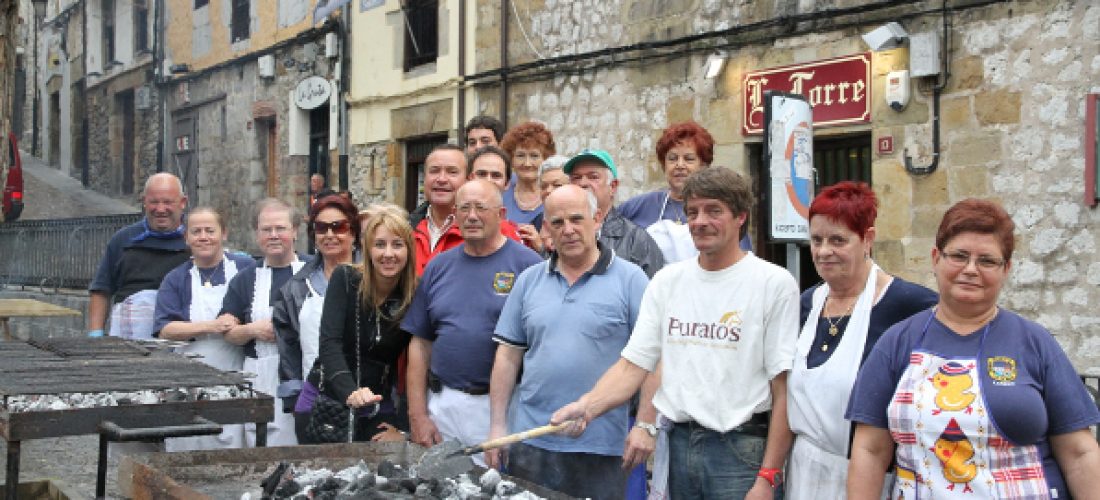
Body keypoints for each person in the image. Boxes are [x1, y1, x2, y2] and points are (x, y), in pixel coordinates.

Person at [552, 167, 800, 500]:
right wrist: (587, 406)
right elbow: (633, 364)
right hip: (680, 445)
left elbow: (784, 390)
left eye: (714, 211)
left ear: (740, 217)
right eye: (693, 212)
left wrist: (769, 476)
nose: (700, 221)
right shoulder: (668, 281)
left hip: (741, 452)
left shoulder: (773, 283)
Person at [846, 199, 1100, 499]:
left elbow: (1079, 453)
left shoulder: (1035, 342)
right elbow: (871, 450)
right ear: (935, 258)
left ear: (1006, 269)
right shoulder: (897, 342)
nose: (970, 269)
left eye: (987, 261)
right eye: (959, 256)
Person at [486, 185, 649, 499]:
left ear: (597, 218)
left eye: (576, 219)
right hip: (530, 440)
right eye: (557, 223)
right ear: (546, 228)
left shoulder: (631, 280)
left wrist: (645, 424)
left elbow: (652, 360)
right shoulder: (529, 280)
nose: (568, 230)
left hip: (600, 445)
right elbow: (507, 357)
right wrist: (497, 427)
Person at [785, 182, 937, 498]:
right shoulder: (808, 303)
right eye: (816, 240)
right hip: (803, 473)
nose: (823, 251)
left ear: (867, 239)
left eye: (837, 240)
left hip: (868, 479)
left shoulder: (909, 306)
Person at [402, 180, 542, 465]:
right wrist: (418, 415)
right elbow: (420, 343)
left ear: (502, 214)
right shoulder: (438, 267)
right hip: (443, 407)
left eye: (481, 208)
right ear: (454, 215)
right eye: (464, 208)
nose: (472, 216)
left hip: (503, 409)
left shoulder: (529, 266)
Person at [295, 204, 418, 443]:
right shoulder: (346, 278)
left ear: (409, 250)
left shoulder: (414, 295)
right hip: (325, 401)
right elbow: (329, 343)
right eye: (379, 244)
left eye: (397, 245)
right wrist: (350, 391)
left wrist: (403, 430)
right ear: (367, 249)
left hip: (377, 404)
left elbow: (418, 359)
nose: (388, 254)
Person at [153, 206, 257, 451]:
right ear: (186, 237)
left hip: (234, 372)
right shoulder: (176, 278)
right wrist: (212, 325)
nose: (203, 237)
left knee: (232, 441)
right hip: (189, 377)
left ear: (224, 233)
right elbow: (165, 329)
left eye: (210, 231)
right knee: (189, 442)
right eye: (196, 231)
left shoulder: (246, 268)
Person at [219, 198, 306, 447]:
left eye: (280, 228)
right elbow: (228, 332)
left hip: (305, 372)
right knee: (263, 443)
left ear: (295, 231)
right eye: (266, 229)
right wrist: (252, 330)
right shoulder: (245, 279)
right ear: (257, 234)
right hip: (260, 376)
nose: (273, 235)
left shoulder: (313, 271)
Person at [273, 194, 360, 424]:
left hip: (366, 396)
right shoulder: (295, 289)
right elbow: (289, 350)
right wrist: (295, 401)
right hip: (315, 401)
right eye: (321, 228)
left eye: (338, 227)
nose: (330, 235)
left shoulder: (372, 280)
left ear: (353, 232)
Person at [618, 121, 751, 262]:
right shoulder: (635, 208)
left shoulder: (723, 207)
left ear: (704, 165)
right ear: (663, 164)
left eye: (689, 159)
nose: (680, 165)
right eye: (672, 158)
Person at [88, 173, 191, 339]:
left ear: (183, 202)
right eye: (154, 202)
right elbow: (101, 290)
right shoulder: (123, 239)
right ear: (144, 201)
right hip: (128, 337)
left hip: (181, 337)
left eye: (167, 202)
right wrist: (95, 333)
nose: (160, 209)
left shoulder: (195, 241)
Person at [409, 144, 522, 275]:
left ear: (469, 179)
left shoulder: (501, 231)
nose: (441, 179)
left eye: (452, 172)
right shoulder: (406, 228)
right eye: (434, 171)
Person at [565, 149, 665, 278]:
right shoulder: (559, 235)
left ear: (613, 186)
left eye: (593, 177)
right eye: (576, 178)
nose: (583, 183)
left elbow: (654, 287)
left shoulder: (636, 240)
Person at [499, 121, 556, 225]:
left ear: (546, 158)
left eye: (534, 156)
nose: (527, 163)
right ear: (511, 159)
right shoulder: (502, 189)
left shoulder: (554, 190)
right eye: (520, 156)